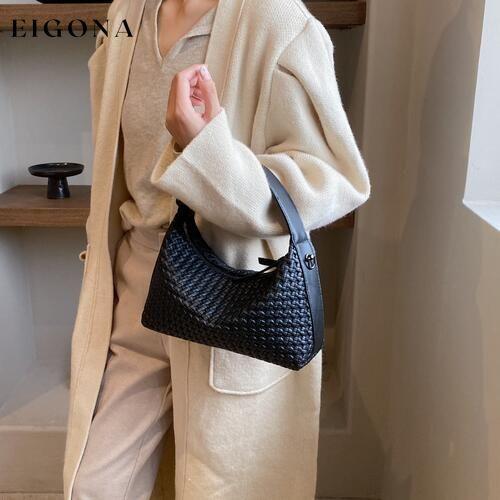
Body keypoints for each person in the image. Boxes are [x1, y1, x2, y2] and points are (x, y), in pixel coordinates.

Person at [63, 0, 371, 498]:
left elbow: (332, 179)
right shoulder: (125, 14)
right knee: (93, 487)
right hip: (136, 281)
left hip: (229, 294)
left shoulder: (278, 21)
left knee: (221, 486)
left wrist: (207, 149)